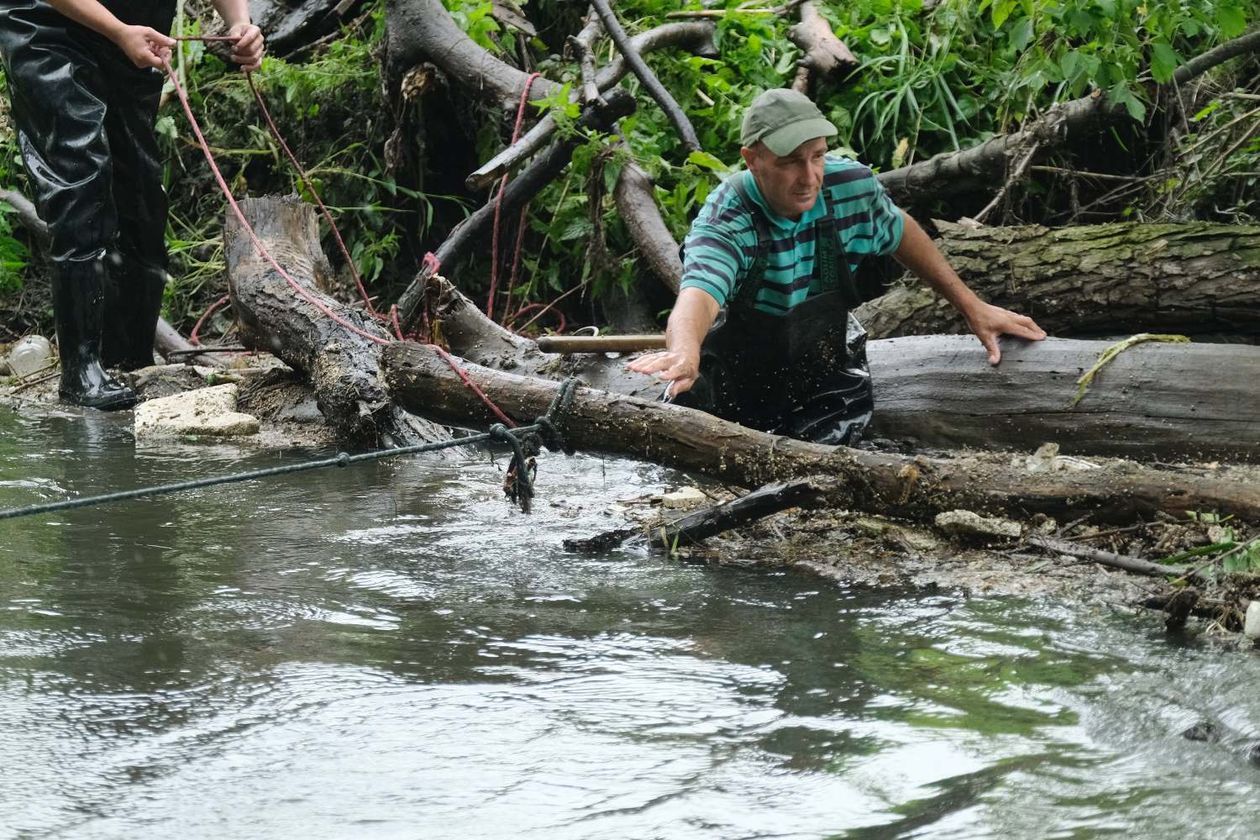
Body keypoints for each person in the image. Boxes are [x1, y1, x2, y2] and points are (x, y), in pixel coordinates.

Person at [627, 88, 1046, 445]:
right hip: (733, 387)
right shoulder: (727, 216)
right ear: (752, 160)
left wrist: (972, 307)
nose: (809, 176)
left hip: (824, 377)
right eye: (790, 161)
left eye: (817, 157)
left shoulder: (851, 187)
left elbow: (900, 230)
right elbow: (699, 293)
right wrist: (684, 352)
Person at [0, 0, 264, 410]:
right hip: (48, 27)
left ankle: (130, 361)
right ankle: (81, 370)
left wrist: (241, 24)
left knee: (140, 195)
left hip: (134, 33)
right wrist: (117, 29)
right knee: (79, 182)